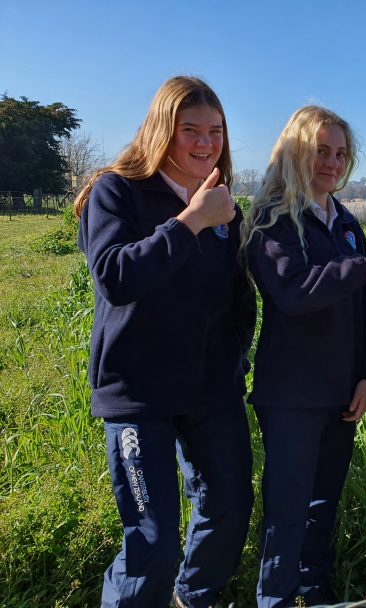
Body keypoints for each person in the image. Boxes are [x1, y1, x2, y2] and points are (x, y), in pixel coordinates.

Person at [74, 76, 256, 608]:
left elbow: (236, 296)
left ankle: (190, 600)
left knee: (229, 507)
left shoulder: (224, 206)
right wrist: (191, 221)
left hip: (209, 390)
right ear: (162, 131)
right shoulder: (117, 191)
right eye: (190, 130)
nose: (205, 143)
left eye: (215, 131)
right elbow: (114, 276)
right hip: (140, 390)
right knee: (153, 540)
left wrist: (235, 357)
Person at [241, 105, 366, 608]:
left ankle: (316, 589)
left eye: (340, 154)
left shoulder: (347, 223)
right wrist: (365, 266)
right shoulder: (272, 220)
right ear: (294, 152)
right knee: (286, 509)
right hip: (290, 393)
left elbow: (365, 308)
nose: (332, 163)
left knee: (323, 502)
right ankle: (276, 598)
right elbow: (293, 292)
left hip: (340, 389)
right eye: (320, 152)